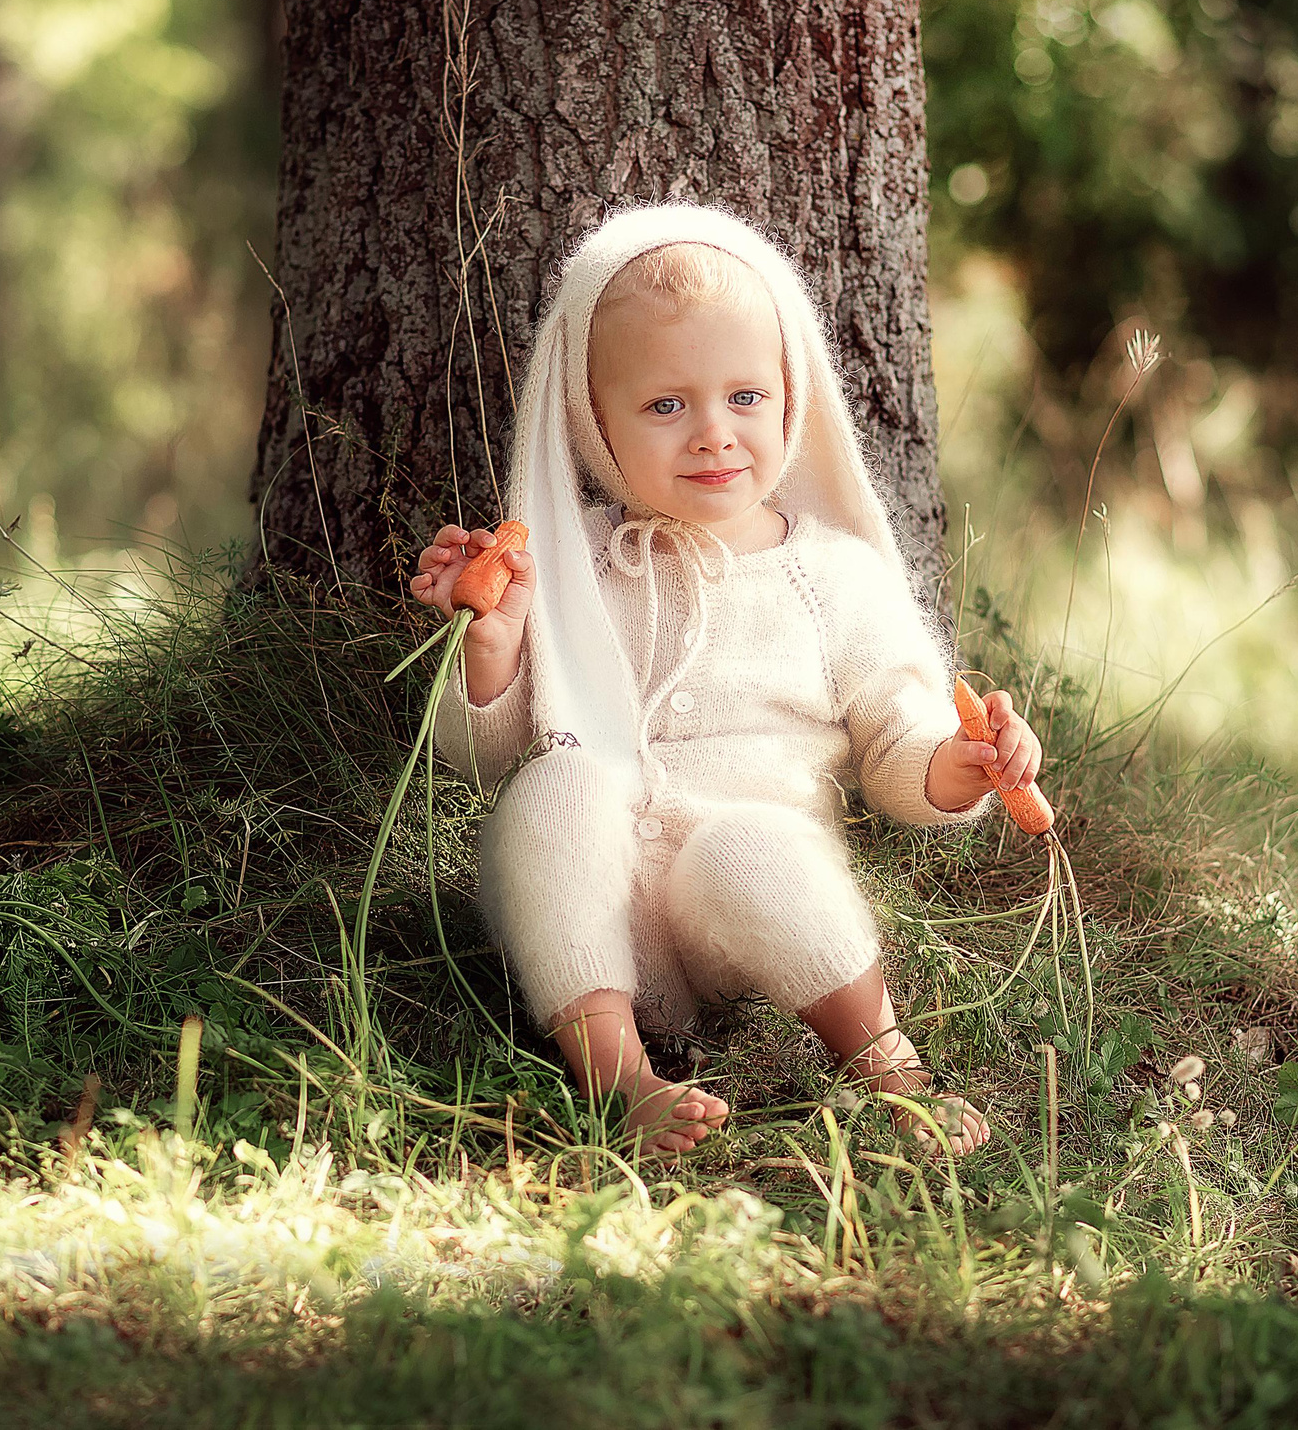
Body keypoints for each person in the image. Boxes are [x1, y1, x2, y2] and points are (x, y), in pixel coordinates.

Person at [408, 204, 1045, 1157]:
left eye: (745, 396)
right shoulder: (567, 562)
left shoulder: (831, 575)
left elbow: (895, 746)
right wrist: (493, 643)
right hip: (586, 901)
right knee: (556, 784)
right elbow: (485, 757)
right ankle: (623, 1078)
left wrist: (960, 762)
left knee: (752, 846)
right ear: (595, 422)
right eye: (666, 405)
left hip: (741, 906)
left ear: (791, 396)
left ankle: (889, 1069)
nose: (714, 434)